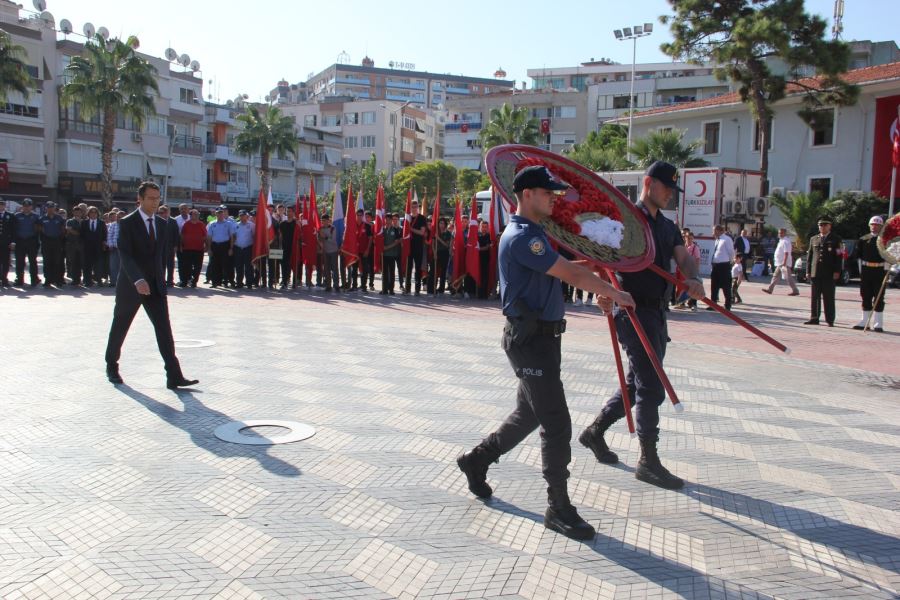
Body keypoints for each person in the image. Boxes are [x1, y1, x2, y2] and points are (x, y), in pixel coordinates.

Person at [456, 165, 636, 541]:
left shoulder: (537, 235)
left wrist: (599, 271)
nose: (554, 197)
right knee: (557, 423)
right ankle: (558, 507)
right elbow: (569, 275)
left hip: (544, 340)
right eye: (547, 192)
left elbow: (566, 269)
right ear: (525, 195)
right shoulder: (524, 237)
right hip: (531, 342)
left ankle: (476, 461)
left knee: (527, 415)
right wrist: (614, 292)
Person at [578, 161, 705, 492]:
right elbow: (599, 259)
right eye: (666, 188)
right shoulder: (625, 221)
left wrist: (692, 277)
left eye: (672, 190)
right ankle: (648, 461)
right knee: (652, 385)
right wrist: (602, 292)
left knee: (636, 384)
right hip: (631, 311)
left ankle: (595, 432)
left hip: (658, 313)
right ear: (649, 183)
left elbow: (683, 256)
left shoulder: (667, 226)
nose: (669, 195)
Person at [104, 182, 198, 390]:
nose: (155, 202)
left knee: (164, 329)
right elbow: (125, 255)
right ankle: (112, 365)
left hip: (155, 285)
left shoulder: (163, 224)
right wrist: (138, 279)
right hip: (131, 285)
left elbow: (161, 257)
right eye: (151, 198)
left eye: (158, 198)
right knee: (121, 325)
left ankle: (174, 375)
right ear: (140, 199)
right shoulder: (127, 223)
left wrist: (161, 280)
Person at [805, 216, 842, 326]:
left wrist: (837, 271)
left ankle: (830, 319)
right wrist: (808, 271)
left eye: (825, 225)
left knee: (828, 297)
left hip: (829, 273)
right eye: (820, 225)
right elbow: (810, 257)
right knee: (815, 297)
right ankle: (814, 317)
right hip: (816, 272)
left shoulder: (836, 239)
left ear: (830, 226)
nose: (822, 227)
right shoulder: (814, 239)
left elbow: (839, 256)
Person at [852, 215, 887, 332]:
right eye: (873, 224)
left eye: (877, 225)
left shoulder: (885, 240)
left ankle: (878, 324)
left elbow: (892, 256)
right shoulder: (863, 239)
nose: (875, 227)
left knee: (879, 297)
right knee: (865, 295)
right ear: (869, 225)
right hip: (867, 271)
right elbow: (857, 256)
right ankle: (864, 321)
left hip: (880, 271)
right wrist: (860, 272)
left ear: (881, 226)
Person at [762, 228, 800, 296]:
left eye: (781, 233)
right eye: (779, 233)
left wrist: (784, 263)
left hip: (784, 263)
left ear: (784, 233)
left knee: (788, 277)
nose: (779, 234)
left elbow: (786, 253)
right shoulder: (781, 240)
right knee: (775, 276)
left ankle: (795, 290)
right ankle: (770, 289)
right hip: (780, 263)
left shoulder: (786, 241)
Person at [13, 198, 41, 287]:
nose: (26, 208)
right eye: (25, 206)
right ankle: (19, 279)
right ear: (22, 206)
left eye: (28, 206)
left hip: (31, 241)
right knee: (20, 261)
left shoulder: (36, 216)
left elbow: (39, 229)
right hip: (20, 241)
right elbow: (13, 229)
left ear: (31, 207)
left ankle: (34, 279)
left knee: (33, 261)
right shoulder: (16, 216)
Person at [39, 202, 66, 287]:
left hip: (57, 242)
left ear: (55, 208)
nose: (50, 209)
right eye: (49, 207)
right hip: (46, 242)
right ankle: (48, 280)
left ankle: (58, 280)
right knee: (47, 262)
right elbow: (40, 229)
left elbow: (63, 230)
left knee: (57, 262)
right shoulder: (42, 218)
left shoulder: (59, 218)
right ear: (46, 208)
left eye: (52, 207)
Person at [707, 224, 734, 310]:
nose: (713, 232)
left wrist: (729, 261)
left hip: (724, 266)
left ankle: (728, 305)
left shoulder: (727, 239)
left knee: (726, 286)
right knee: (714, 285)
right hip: (716, 266)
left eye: (714, 230)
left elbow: (731, 252)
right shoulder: (717, 240)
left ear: (719, 231)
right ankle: (713, 304)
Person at [206, 207, 235, 288]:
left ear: (224, 214)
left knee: (226, 265)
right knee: (214, 264)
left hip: (225, 245)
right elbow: (209, 237)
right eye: (218, 213)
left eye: (221, 213)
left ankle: (227, 281)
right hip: (215, 246)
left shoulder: (228, 224)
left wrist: (231, 248)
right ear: (216, 214)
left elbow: (232, 236)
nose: (220, 215)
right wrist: (209, 248)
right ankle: (215, 282)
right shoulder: (212, 224)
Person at [405, 200, 428, 295]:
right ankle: (407, 288)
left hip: (418, 246)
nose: (414, 209)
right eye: (412, 207)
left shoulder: (422, 218)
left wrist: (411, 229)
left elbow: (422, 232)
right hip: (408, 246)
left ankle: (417, 289)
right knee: (408, 268)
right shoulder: (407, 218)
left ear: (418, 208)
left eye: (415, 207)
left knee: (418, 268)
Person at [80, 206, 107, 287]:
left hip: (98, 247)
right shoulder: (84, 223)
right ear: (88, 213)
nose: (93, 214)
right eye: (91, 212)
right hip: (87, 247)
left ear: (97, 214)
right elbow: (81, 235)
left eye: (95, 212)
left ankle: (99, 280)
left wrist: (104, 243)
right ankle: (87, 281)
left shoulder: (101, 223)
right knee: (87, 265)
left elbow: (104, 234)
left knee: (98, 265)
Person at [179, 209, 206, 287]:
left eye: (197, 214)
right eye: (195, 214)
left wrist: (207, 246)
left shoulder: (201, 224)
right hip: (187, 249)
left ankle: (194, 282)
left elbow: (205, 236)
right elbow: (182, 236)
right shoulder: (186, 224)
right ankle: (185, 281)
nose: (197, 216)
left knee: (198, 266)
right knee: (187, 266)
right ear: (191, 216)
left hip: (199, 249)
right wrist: (180, 245)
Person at [157, 205, 180, 287]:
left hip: (170, 246)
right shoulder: (156, 220)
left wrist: (176, 245)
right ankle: (161, 280)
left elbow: (176, 234)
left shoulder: (173, 221)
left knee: (170, 264)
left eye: (161, 212)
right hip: (159, 247)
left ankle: (170, 281)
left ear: (166, 213)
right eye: (159, 212)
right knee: (161, 264)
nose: (159, 214)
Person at [318, 213, 340, 292]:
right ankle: (328, 285)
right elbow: (319, 239)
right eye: (322, 220)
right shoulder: (320, 229)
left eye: (324, 220)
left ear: (328, 220)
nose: (323, 222)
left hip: (333, 251)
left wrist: (325, 237)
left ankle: (336, 285)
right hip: (325, 251)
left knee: (335, 269)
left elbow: (333, 240)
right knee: (326, 269)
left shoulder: (333, 228)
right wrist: (320, 240)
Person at [381, 213, 401, 294]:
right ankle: (384, 289)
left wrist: (387, 247)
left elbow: (396, 242)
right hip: (384, 255)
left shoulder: (395, 230)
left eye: (389, 219)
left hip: (392, 254)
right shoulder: (382, 229)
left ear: (391, 220)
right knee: (384, 273)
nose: (387, 221)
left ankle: (391, 289)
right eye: (386, 219)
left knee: (392, 273)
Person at [65, 205, 84, 286]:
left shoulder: (84, 221)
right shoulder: (69, 221)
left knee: (82, 263)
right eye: (75, 211)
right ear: (73, 212)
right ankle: (75, 280)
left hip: (82, 245)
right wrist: (78, 233)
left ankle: (81, 279)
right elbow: (69, 231)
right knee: (73, 263)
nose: (77, 213)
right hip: (72, 245)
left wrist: (74, 231)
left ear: (81, 213)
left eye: (79, 212)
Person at [105, 210, 122, 286]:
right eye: (118, 217)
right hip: (114, 248)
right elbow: (109, 235)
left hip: (124, 249)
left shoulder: (127, 225)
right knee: (113, 266)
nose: (119, 218)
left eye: (121, 217)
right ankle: (113, 282)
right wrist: (110, 245)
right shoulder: (113, 225)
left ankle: (122, 283)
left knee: (123, 267)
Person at [0, 198, 13, 287]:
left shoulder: (10, 216)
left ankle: (4, 279)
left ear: (5, 205)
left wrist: (13, 242)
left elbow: (13, 230)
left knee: (5, 262)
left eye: (2, 204)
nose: (1, 206)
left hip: (6, 242)